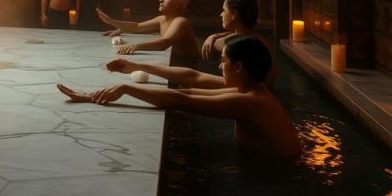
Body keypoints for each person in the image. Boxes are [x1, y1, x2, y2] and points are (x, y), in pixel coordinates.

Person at [57, 36, 301, 159]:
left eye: (223, 62)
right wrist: (133, 66)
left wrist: (126, 88)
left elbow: (182, 101)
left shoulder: (251, 102)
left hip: (276, 175)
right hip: (264, 165)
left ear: (238, 67)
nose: (219, 67)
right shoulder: (249, 89)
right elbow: (191, 83)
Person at [96, 0, 198, 61]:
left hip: (185, 68)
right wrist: (113, 22)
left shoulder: (180, 21)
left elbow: (164, 43)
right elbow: (137, 27)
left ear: (177, 5)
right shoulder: (162, 19)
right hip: (173, 63)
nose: (160, 0)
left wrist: (135, 46)